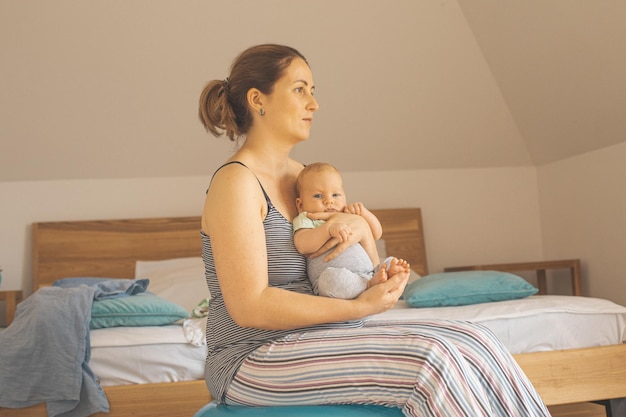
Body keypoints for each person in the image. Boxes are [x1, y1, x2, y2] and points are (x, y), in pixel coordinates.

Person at [198, 43, 551, 416]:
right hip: (251, 359)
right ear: (258, 99)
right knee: (432, 358)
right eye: (300, 89)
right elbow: (250, 306)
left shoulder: (304, 178)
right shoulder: (236, 183)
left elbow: (344, 259)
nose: (314, 104)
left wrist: (366, 249)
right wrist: (358, 308)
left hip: (319, 340)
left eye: (313, 92)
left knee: (475, 337)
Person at [294, 162, 410, 299]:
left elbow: (376, 233)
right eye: (318, 196)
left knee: (390, 262)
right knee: (330, 280)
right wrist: (328, 230)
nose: (329, 201)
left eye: (336, 195)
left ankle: (387, 276)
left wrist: (364, 214)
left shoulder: (348, 214)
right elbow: (302, 245)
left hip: (370, 272)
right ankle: (369, 286)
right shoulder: (308, 218)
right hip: (337, 280)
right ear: (300, 205)